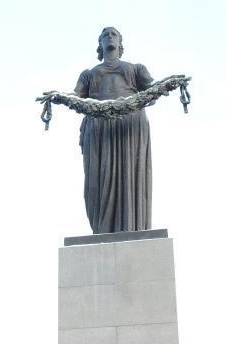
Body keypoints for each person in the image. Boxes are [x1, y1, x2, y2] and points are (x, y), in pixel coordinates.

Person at [74, 27, 153, 234]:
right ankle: (102, 231)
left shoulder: (135, 69)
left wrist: (171, 85)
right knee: (96, 183)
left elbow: (152, 92)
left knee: (129, 178)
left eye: (114, 34)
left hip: (129, 125)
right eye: (105, 35)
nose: (110, 36)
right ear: (99, 43)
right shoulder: (89, 74)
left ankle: (131, 228)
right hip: (98, 126)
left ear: (120, 42)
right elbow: (75, 99)